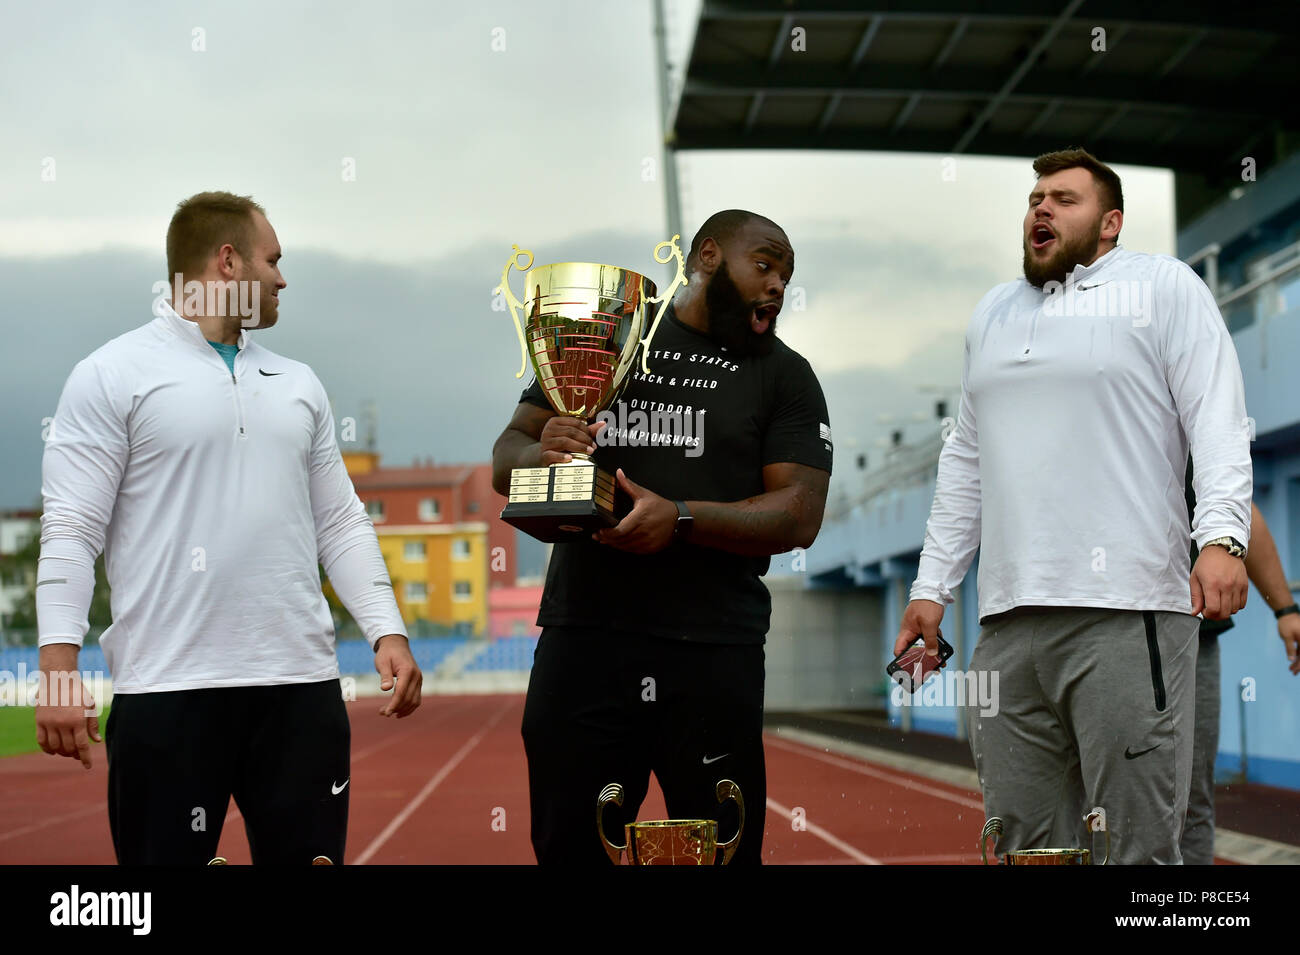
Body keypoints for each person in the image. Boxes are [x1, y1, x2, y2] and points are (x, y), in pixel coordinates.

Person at [35, 191, 422, 865]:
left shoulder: (298, 384)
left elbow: (340, 520)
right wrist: (58, 667)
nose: (282, 277)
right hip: (166, 692)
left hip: (300, 691)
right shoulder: (110, 374)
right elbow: (71, 524)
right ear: (226, 261)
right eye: (272, 260)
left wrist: (387, 629)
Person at [897, 148, 1253, 864]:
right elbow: (965, 457)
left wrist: (1223, 536)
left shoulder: (1163, 286)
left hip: (1127, 612)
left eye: (1064, 198)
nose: (1041, 208)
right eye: (1035, 198)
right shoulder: (993, 311)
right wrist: (932, 588)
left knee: (1137, 849)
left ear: (1111, 221)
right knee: (1028, 847)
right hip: (1006, 624)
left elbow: (1217, 416)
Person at [492, 210, 832, 864]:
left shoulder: (786, 377)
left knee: (718, 852)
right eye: (765, 264)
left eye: (787, 277)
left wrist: (680, 517)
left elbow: (800, 512)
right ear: (707, 256)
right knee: (569, 847)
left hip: (713, 652)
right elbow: (505, 458)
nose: (778, 287)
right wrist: (541, 453)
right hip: (587, 640)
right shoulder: (605, 334)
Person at [1181, 458, 1300, 864]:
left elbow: (1243, 511)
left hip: (1190, 638)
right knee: (1096, 799)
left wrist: (1285, 610)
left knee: (1190, 799)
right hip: (1103, 627)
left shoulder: (1194, 427)